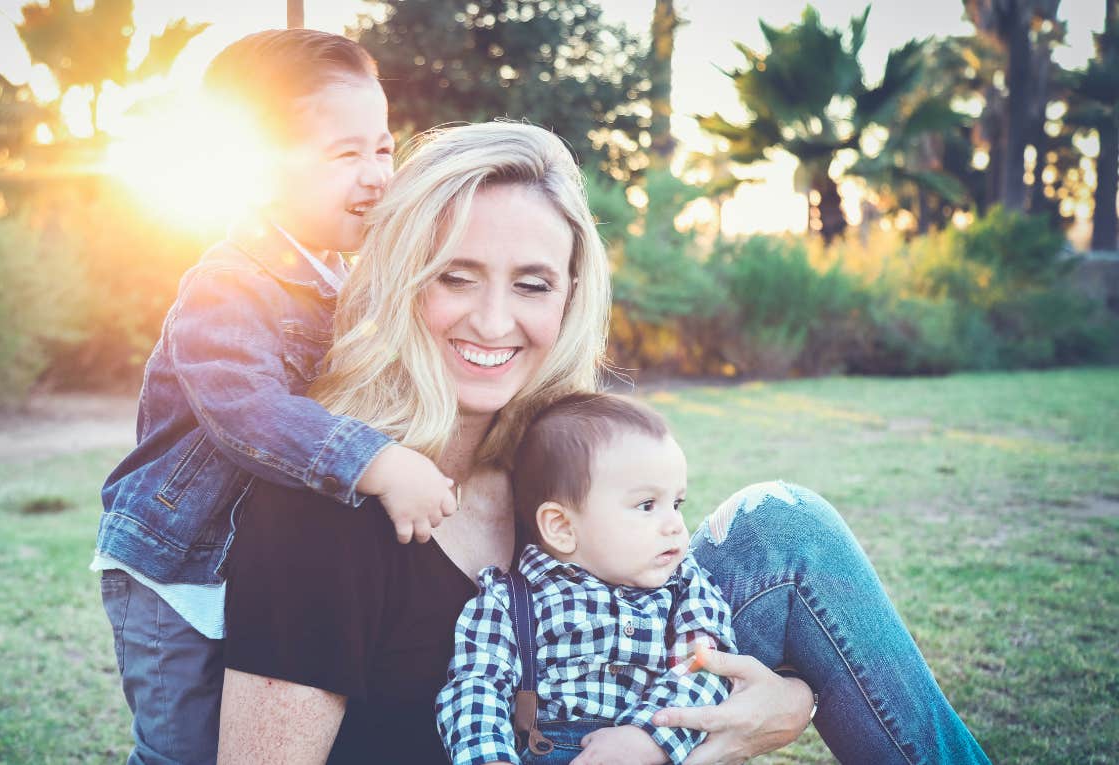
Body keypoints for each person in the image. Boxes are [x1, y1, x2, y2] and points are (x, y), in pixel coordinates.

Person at [217, 121, 991, 765]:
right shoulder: (321, 511)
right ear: (400, 278)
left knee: (782, 527)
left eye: (532, 283)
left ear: (571, 298)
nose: (493, 321)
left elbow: (676, 626)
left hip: (612, 733)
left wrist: (789, 700)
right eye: (456, 276)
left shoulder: (552, 462)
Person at [92, 29, 458, 765]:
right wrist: (376, 461)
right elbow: (246, 411)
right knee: (182, 749)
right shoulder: (227, 283)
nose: (377, 175)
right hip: (176, 572)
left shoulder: (341, 277)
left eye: (382, 149)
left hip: (246, 565)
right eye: (344, 154)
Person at [436, 392, 736, 765]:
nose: (675, 525)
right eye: (647, 506)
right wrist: (490, 757)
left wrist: (651, 737)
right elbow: (476, 687)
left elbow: (705, 666)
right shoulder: (509, 600)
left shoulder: (685, 585)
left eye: (676, 504)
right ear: (561, 527)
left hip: (650, 748)